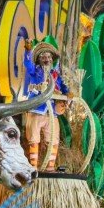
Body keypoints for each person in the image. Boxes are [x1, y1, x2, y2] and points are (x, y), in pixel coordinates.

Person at [23, 36, 70, 171]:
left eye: (49, 57)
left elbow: (64, 87)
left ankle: (50, 167)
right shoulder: (35, 70)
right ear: (39, 59)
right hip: (37, 109)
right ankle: (33, 167)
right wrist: (28, 52)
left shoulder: (55, 74)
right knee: (33, 139)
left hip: (51, 112)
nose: (47, 59)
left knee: (54, 140)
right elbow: (27, 64)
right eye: (44, 57)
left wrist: (68, 93)